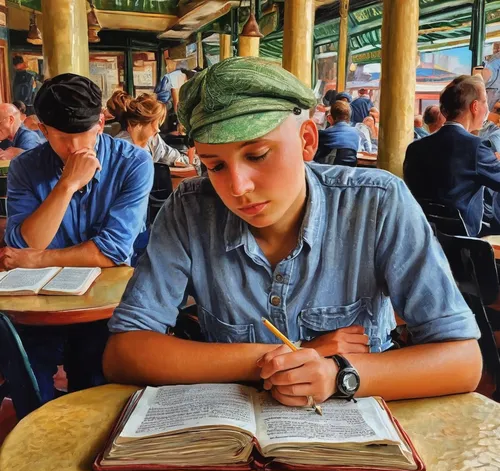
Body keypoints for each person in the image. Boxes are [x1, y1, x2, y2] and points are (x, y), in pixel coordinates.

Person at [103, 57, 481, 406]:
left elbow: (463, 361)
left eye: (257, 155)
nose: (238, 186)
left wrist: (337, 374)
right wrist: (292, 354)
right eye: (215, 165)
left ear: (306, 140)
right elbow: (124, 353)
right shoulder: (190, 209)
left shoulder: (376, 202)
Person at [0, 73, 154, 403]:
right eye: (61, 138)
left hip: (106, 306)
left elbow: (112, 252)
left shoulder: (133, 163)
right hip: (39, 303)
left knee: (95, 385)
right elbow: (26, 243)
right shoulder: (26, 168)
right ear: (42, 130)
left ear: (100, 122)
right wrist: (67, 185)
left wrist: (38, 260)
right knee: (27, 380)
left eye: (83, 135)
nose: (73, 149)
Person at [404, 75, 500, 237]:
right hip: (463, 243)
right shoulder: (476, 148)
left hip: (422, 237)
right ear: (475, 106)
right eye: (485, 103)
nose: (488, 110)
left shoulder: (415, 148)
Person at [107, 90, 195, 168]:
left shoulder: (153, 139)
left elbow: (170, 155)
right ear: (139, 124)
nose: (157, 129)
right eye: (154, 124)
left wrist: (187, 160)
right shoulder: (120, 147)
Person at [315, 101, 364, 165]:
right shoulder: (355, 132)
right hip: (350, 170)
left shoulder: (323, 134)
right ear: (349, 118)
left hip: (329, 171)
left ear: (329, 118)